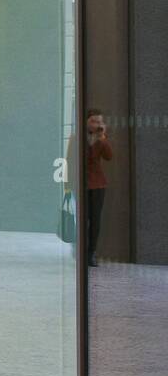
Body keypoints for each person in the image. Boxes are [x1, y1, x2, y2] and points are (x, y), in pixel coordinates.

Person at [66, 107, 113, 267]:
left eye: (99, 121)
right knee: (82, 219)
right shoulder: (76, 137)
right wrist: (67, 186)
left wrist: (102, 138)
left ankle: (91, 253)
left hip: (98, 185)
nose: (96, 124)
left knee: (95, 220)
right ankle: (80, 250)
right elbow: (70, 160)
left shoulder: (101, 139)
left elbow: (109, 156)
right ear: (86, 122)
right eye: (93, 121)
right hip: (81, 185)